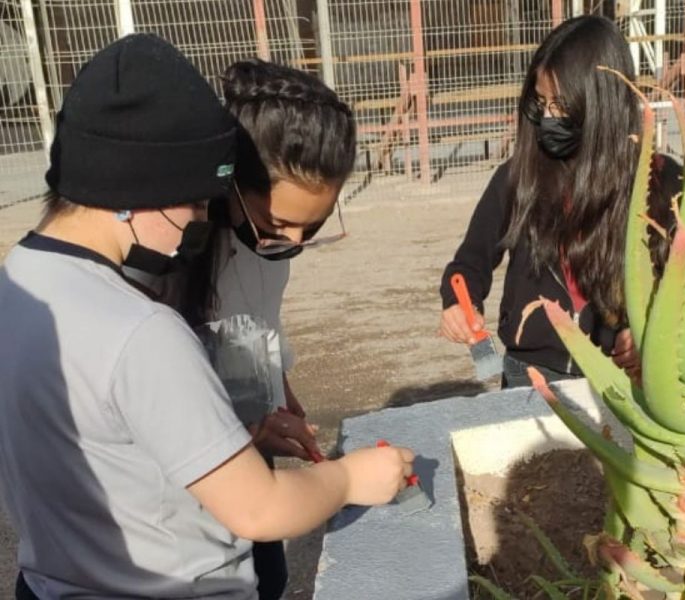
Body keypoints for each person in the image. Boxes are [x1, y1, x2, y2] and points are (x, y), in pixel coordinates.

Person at [0, 34, 413, 599]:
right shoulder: (142, 331)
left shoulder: (20, 284)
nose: (200, 216)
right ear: (141, 184)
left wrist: (246, 427)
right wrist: (346, 478)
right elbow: (259, 508)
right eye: (197, 200)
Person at [165, 58, 356, 599]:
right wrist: (250, 434)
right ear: (229, 183)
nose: (291, 240)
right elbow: (168, 407)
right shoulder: (181, 257)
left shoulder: (269, 246)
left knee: (267, 575)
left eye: (311, 226)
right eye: (276, 225)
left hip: (251, 443)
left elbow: (258, 319)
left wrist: (279, 391)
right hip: (198, 483)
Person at [438, 15, 682, 388]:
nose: (548, 117)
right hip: (530, 375)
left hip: (621, 378)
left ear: (602, 105)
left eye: (563, 105)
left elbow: (681, 284)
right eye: (541, 102)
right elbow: (469, 262)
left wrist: (650, 334)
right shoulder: (516, 177)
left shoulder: (661, 180)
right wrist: (460, 303)